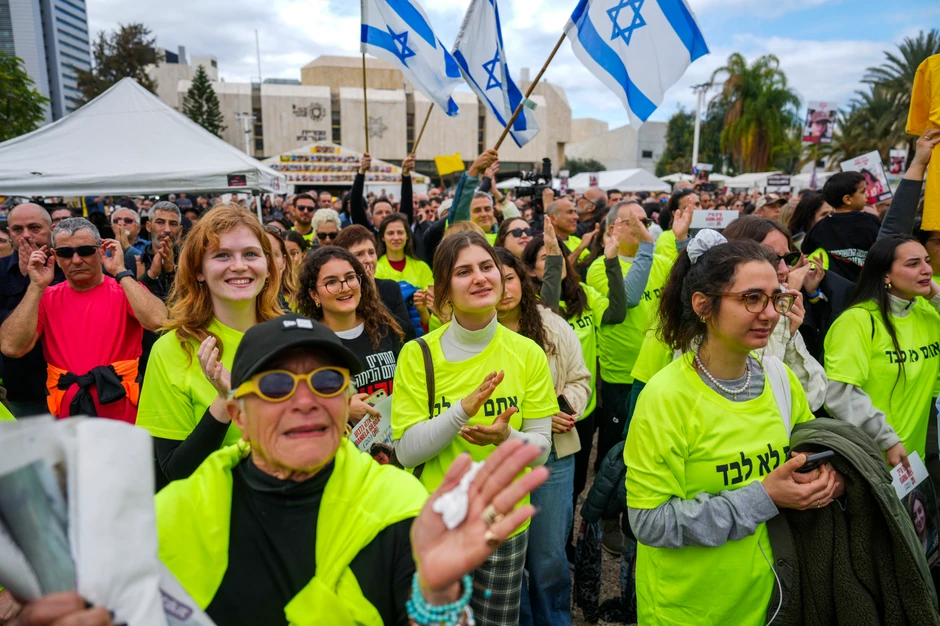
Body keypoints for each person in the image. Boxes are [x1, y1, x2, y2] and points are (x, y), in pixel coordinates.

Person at [12, 316, 552, 626]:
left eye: (326, 383)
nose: (305, 401)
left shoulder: (402, 510)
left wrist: (438, 597)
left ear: (346, 405)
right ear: (238, 413)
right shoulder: (172, 514)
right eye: (274, 385)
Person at [626, 233, 841, 625]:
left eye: (776, 297)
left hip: (772, 597)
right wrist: (764, 496)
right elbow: (649, 521)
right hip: (686, 607)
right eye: (751, 298)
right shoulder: (665, 397)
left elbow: (809, 454)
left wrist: (826, 481)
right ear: (703, 305)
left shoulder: (780, 379)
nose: (771, 313)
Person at [391, 232, 559, 625]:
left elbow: (542, 448)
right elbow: (406, 451)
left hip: (503, 521)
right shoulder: (419, 355)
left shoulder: (527, 352)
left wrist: (508, 437)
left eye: (487, 267)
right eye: (463, 271)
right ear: (444, 290)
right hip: (439, 519)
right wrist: (460, 412)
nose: (481, 278)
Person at [137, 204, 283, 483]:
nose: (239, 265)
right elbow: (176, 470)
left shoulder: (293, 338)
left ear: (267, 265)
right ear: (199, 271)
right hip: (217, 517)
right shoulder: (171, 350)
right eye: (222, 255)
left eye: (250, 254)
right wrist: (224, 401)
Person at [494, 248, 591, 626]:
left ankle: (554, 619)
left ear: (523, 280)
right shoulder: (471, 335)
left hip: (553, 457)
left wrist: (563, 406)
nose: (504, 288)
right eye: (495, 280)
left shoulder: (552, 326)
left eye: (510, 278)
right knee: (508, 557)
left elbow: (581, 379)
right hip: (497, 456)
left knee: (549, 556)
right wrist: (535, 418)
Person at [523, 219, 626, 553]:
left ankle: (564, 539)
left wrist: (611, 261)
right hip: (553, 415)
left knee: (578, 483)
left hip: (585, 409)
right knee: (555, 487)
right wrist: (554, 259)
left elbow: (618, 312)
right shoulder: (535, 309)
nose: (556, 260)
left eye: (558, 255)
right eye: (545, 258)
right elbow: (550, 298)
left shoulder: (584, 296)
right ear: (532, 271)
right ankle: (556, 544)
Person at [0, 217, 167, 422]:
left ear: (100, 250)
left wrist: (121, 272)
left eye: (85, 250)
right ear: (55, 257)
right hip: (67, 416)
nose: (76, 260)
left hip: (124, 416)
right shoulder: (44, 297)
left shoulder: (124, 289)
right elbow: (11, 347)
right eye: (66, 253)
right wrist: (35, 286)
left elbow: (159, 322)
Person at [586, 200, 692, 473]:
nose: (642, 227)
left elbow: (692, 282)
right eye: (632, 222)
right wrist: (647, 246)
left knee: (651, 445)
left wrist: (681, 240)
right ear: (613, 230)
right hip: (622, 375)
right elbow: (630, 297)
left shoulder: (658, 261)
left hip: (661, 371)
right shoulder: (600, 268)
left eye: (645, 222)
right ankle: (604, 512)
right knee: (615, 451)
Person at [824, 235, 940, 467]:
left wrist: (934, 295)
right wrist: (887, 439)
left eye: (927, 261)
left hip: (916, 459)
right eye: (913, 264)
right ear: (885, 273)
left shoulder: (927, 314)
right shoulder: (857, 321)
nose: (927, 269)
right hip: (874, 460)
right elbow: (839, 394)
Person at [297, 246, 405, 424]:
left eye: (350, 278)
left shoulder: (385, 328)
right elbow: (301, 409)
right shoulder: (310, 345)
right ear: (314, 294)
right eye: (331, 282)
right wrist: (343, 410)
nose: (345, 287)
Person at [0, 204, 66, 416]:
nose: (26, 236)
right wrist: (26, 280)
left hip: (69, 384)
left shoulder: (71, 267)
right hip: (21, 389)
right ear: (9, 233)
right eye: (18, 230)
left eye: (34, 228)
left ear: (52, 229)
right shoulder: (1, 271)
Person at [333, 224, 413, 341]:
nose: (369, 260)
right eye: (359, 254)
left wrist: (374, 296)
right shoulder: (340, 292)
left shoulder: (390, 288)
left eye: (371, 252)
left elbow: (408, 334)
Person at [801, 171, 880, 283]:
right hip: (867, 287)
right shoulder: (871, 221)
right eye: (863, 192)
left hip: (836, 288)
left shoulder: (821, 226)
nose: (867, 195)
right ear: (847, 199)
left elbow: (806, 248)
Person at [375, 213, 434, 337]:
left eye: (400, 232)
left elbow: (431, 304)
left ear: (407, 236)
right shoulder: (376, 268)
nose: (396, 237)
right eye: (390, 233)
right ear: (382, 237)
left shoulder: (422, 267)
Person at [124, 201, 183, 302]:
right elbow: (128, 302)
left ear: (180, 230)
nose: (167, 229)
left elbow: (194, 301)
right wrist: (151, 275)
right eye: (160, 222)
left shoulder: (191, 261)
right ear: (148, 226)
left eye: (173, 224)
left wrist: (172, 273)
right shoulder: (132, 261)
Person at [351, 153, 415, 233]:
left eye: (388, 212)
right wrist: (361, 172)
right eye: (379, 213)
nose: (384, 216)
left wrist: (406, 174)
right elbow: (355, 204)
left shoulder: (401, 233)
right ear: (371, 218)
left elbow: (407, 204)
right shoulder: (367, 234)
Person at [654, 188, 700, 262]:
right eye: (687, 207)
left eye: (697, 204)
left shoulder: (707, 232)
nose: (694, 209)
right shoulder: (665, 238)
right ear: (675, 213)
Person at [264, 226, 299, 311]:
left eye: (273, 255)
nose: (268, 262)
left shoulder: (300, 300)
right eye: (256, 254)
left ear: (284, 262)